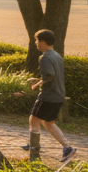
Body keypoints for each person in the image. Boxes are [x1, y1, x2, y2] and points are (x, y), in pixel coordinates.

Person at [22, 29, 77, 164]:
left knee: (34, 120)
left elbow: (49, 76)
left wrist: (38, 83)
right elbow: (52, 75)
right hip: (58, 95)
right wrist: (38, 80)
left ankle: (34, 153)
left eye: (37, 41)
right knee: (49, 123)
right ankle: (67, 148)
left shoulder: (45, 57)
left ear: (43, 42)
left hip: (48, 96)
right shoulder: (57, 56)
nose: (36, 43)